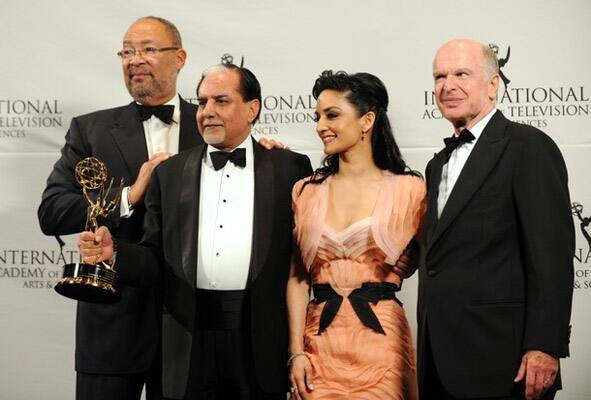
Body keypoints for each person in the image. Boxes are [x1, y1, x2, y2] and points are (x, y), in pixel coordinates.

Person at [78, 63, 313, 400]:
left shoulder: (290, 167)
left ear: (252, 109)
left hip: (259, 341)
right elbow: (154, 258)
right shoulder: (170, 173)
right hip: (188, 341)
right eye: (202, 103)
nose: (207, 112)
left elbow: (301, 260)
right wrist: (113, 252)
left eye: (221, 101)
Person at [38, 16, 201, 400]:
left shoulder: (212, 125)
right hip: (111, 327)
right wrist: (128, 195)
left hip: (192, 329)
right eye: (127, 52)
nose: (134, 60)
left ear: (179, 58)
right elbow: (52, 211)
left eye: (147, 49)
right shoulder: (90, 130)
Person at [418, 39, 574, 400]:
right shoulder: (436, 164)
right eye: (439, 76)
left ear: (493, 85)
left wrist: (545, 345)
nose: (448, 85)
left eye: (461, 74)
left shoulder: (528, 146)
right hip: (438, 357)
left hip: (504, 360)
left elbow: (551, 256)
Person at [287, 70, 426, 400]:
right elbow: (297, 279)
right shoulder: (305, 191)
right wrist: (296, 353)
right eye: (317, 116)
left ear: (367, 121)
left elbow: (435, 264)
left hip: (382, 344)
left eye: (332, 115)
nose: (321, 125)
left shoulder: (411, 190)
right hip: (317, 343)